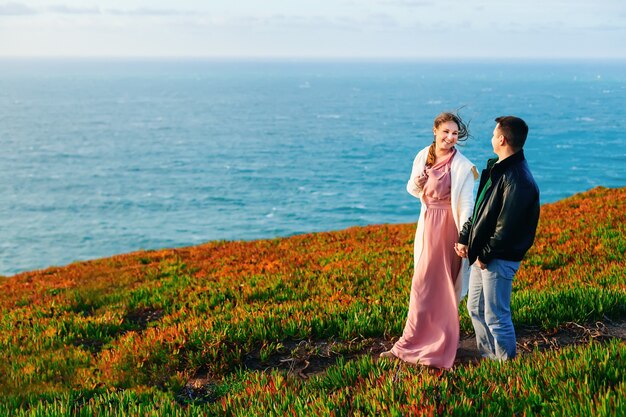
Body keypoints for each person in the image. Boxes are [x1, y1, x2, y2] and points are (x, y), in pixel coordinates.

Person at [380, 112, 478, 369]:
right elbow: (412, 189)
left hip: (449, 229)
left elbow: (467, 204)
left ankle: (443, 345)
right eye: (446, 132)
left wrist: (464, 236)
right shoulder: (424, 154)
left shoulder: (462, 165)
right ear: (435, 130)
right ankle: (408, 343)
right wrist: (418, 181)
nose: (450, 137)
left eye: (455, 133)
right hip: (427, 225)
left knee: (445, 288)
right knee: (422, 285)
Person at [455, 116, 540, 361]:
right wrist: (466, 238)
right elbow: (482, 211)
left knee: (497, 316)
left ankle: (507, 366)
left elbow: (507, 229)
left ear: (502, 139)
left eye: (494, 134)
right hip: (485, 255)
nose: (492, 137)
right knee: (475, 308)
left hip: (497, 258)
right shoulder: (496, 168)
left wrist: (483, 254)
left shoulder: (518, 180)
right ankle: (489, 357)